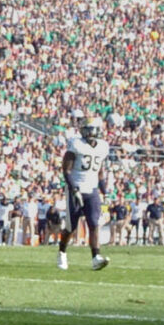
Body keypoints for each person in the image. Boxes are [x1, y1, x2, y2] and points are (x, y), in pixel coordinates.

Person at [57, 116, 112, 271]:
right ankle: (62, 252)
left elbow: (100, 173)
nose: (88, 132)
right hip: (76, 188)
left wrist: (104, 191)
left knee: (94, 223)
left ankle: (96, 257)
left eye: (90, 129)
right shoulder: (76, 144)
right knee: (71, 226)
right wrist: (74, 189)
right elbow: (66, 170)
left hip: (92, 189)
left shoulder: (102, 146)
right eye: (86, 129)